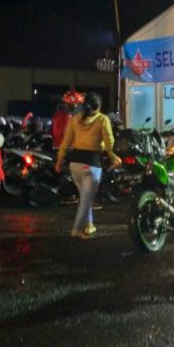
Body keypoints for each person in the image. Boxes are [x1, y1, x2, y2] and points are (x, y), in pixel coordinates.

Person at [55, 93, 121, 239]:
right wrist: (113, 157)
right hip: (91, 165)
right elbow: (109, 143)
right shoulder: (102, 119)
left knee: (85, 196)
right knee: (85, 199)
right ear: (99, 106)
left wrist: (59, 161)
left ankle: (89, 224)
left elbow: (66, 142)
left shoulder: (74, 119)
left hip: (75, 165)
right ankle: (76, 229)